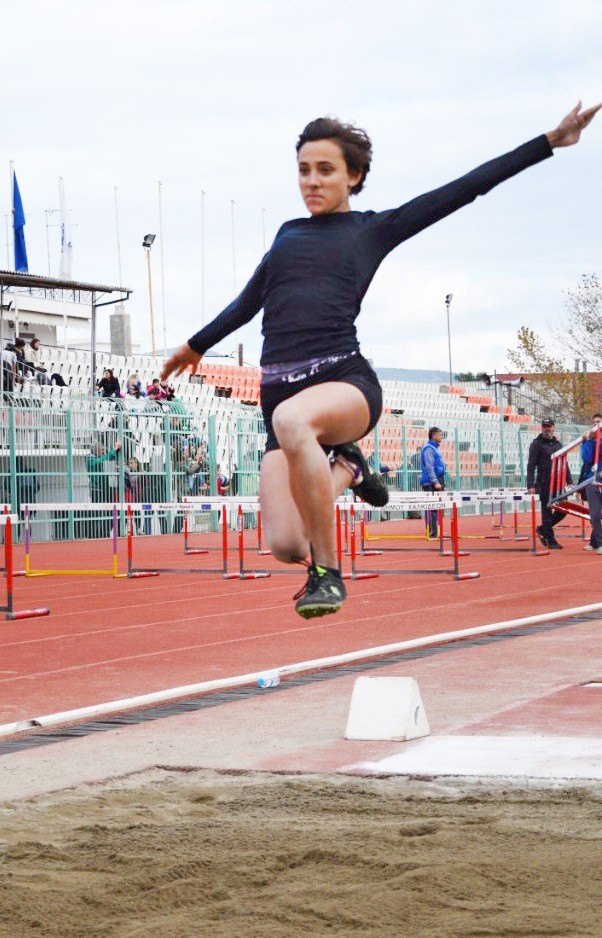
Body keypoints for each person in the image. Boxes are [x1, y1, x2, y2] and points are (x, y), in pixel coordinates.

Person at [162, 100, 600, 619]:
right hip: (279, 395)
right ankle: (348, 465)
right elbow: (248, 300)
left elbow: (462, 189)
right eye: (303, 170)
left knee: (293, 419)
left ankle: (327, 574)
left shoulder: (371, 231)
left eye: (325, 170)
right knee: (283, 542)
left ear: (355, 175)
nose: (312, 181)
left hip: (344, 382)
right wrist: (197, 344)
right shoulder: (287, 235)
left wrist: (549, 141)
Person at [527, 417, 572, 549]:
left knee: (564, 509)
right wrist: (530, 485)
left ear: (553, 427)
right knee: (547, 511)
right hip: (544, 482)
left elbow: (565, 463)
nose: (547, 429)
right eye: (544, 426)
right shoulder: (536, 444)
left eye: (549, 426)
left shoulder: (558, 444)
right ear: (542, 428)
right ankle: (551, 539)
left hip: (558, 483)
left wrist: (569, 481)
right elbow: (531, 466)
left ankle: (543, 529)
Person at [580, 413, 602, 553]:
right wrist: (587, 441)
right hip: (592, 481)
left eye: (598, 422)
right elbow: (587, 459)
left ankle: (595, 542)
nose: (595, 424)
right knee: (594, 515)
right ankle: (599, 543)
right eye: (593, 422)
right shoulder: (590, 442)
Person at [420, 427, 446, 538]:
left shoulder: (434, 448)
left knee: (437, 507)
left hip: (437, 479)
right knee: (433, 507)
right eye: (440, 435)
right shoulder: (428, 449)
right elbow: (429, 467)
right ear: (433, 435)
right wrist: (435, 482)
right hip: (430, 482)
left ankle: (435, 530)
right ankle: (432, 532)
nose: (441, 437)